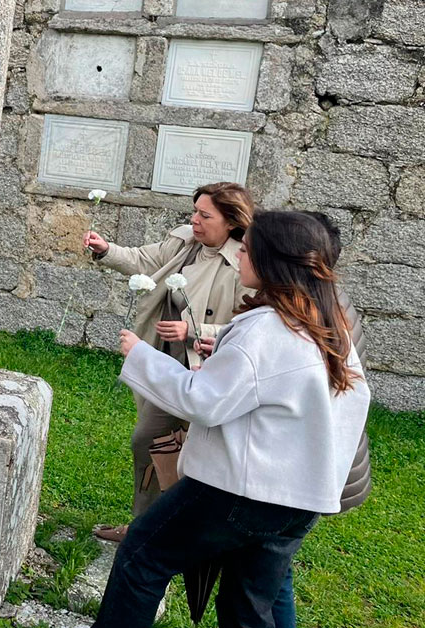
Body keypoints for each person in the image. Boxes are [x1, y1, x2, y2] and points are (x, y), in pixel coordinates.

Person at [95, 210, 370, 628]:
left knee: (142, 555)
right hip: (301, 497)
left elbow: (203, 401)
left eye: (248, 247)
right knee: (251, 600)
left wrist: (141, 355)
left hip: (243, 492)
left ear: (271, 260)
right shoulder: (324, 322)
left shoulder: (266, 329)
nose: (240, 253)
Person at [83, 182, 255, 542]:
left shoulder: (247, 263)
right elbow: (144, 261)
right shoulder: (184, 243)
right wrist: (106, 250)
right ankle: (145, 525)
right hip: (166, 363)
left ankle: (179, 531)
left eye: (205, 215)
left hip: (211, 375)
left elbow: (254, 328)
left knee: (194, 453)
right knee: (149, 439)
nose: (194, 219)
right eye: (195, 211)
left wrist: (193, 330)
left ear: (230, 222)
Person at [268, 211, 370, 628]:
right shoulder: (325, 303)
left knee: (268, 574)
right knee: (271, 571)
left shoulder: (314, 314)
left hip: (310, 471)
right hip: (325, 467)